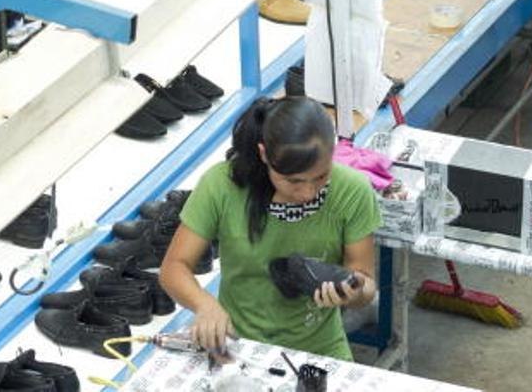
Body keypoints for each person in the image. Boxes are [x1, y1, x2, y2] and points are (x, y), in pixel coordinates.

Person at [160, 96, 381, 361]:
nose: (308, 192)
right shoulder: (221, 186)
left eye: (321, 177)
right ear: (264, 154)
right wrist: (205, 305)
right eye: (293, 181)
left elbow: (366, 283)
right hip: (238, 347)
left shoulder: (352, 191)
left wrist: (353, 292)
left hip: (321, 351)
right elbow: (174, 267)